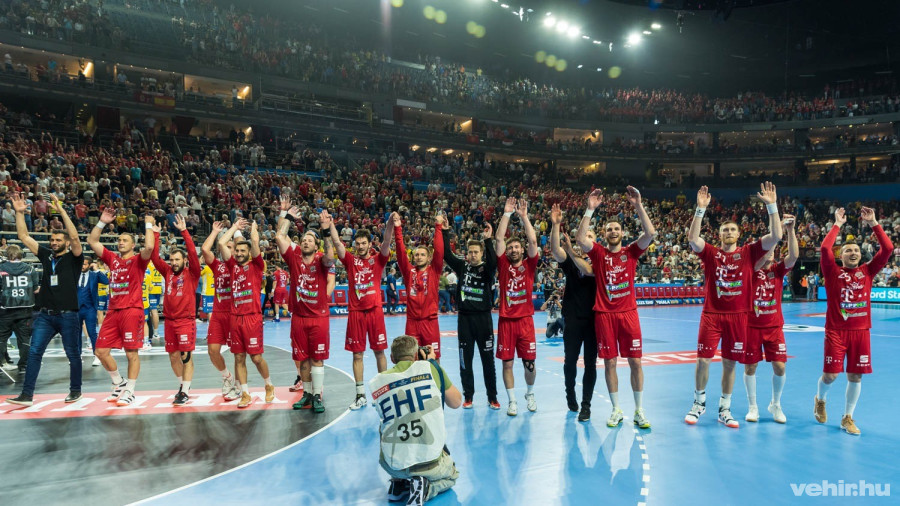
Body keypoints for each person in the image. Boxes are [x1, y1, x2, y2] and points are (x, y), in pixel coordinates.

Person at [684, 183, 782, 428]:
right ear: (719, 235)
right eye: (724, 229)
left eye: (732, 229)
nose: (728, 231)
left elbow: (776, 236)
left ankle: (724, 408)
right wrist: (700, 209)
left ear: (738, 234)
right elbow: (693, 239)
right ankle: (698, 403)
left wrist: (772, 206)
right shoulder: (711, 254)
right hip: (712, 315)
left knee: (730, 363)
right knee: (703, 360)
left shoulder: (749, 252)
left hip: (739, 316)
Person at [576, 187, 657, 428]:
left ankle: (639, 410)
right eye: (609, 229)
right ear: (604, 233)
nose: (613, 231)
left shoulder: (631, 252)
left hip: (628, 314)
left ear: (622, 232)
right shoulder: (599, 253)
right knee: (610, 362)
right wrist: (590, 209)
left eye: (616, 228)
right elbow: (581, 239)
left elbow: (650, 233)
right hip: (605, 315)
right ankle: (616, 409)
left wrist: (638, 205)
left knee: (636, 362)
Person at [814, 206, 893, 435]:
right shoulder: (832, 272)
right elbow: (824, 247)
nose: (853, 253)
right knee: (830, 375)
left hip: (861, 332)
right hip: (836, 331)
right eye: (848, 250)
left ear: (860, 255)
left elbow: (887, 249)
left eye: (856, 251)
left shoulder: (867, 272)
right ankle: (820, 399)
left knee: (855, 375)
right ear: (841, 255)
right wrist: (837, 223)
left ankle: (847, 417)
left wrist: (874, 223)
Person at [6, 192, 83, 406]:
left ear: (66, 242)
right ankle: (27, 395)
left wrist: (61, 212)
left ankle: (75, 390)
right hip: (46, 316)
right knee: (34, 353)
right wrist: (20, 213)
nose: (54, 242)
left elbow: (75, 238)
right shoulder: (47, 255)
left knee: (73, 354)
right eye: (52, 239)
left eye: (59, 240)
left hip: (68, 315)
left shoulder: (75, 258)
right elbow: (24, 237)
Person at [370, 336, 461, 506]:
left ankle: (398, 484)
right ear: (416, 356)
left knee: (388, 424)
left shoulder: (378, 381)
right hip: (428, 462)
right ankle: (425, 488)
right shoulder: (430, 369)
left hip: (392, 465)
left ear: (391, 358)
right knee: (452, 475)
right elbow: (456, 402)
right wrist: (435, 365)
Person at [325, 213, 397, 410]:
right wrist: (331, 224)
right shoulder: (350, 261)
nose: (360, 246)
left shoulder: (378, 260)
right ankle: (360, 395)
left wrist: (389, 224)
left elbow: (387, 241)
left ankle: (384, 392)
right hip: (356, 313)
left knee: (379, 352)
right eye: (357, 243)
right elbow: (338, 243)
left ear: (369, 243)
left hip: (375, 312)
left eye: (363, 243)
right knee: (357, 355)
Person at [88, 208, 155, 407]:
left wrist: (149, 224)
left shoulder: (138, 260)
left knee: (131, 353)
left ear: (133, 245)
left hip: (131, 310)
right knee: (100, 351)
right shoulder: (113, 259)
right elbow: (92, 242)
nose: (120, 242)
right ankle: (119, 382)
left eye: (124, 240)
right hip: (113, 311)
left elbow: (150, 247)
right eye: (119, 240)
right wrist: (101, 222)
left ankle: (131, 391)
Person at [275, 203, 335, 414]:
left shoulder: (321, 260)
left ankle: (318, 395)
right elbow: (280, 237)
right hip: (299, 317)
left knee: (316, 358)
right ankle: (307, 394)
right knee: (302, 359)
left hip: (319, 317)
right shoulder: (294, 257)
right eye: (304, 239)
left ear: (316, 245)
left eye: (310, 239)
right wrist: (288, 218)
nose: (306, 241)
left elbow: (330, 255)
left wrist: (326, 231)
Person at [742, 213, 799, 424]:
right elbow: (755, 263)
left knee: (780, 367)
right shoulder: (749, 269)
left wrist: (791, 230)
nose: (771, 254)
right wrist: (765, 249)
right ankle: (753, 407)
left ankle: (775, 404)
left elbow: (793, 257)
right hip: (751, 327)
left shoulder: (777, 270)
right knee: (750, 367)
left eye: (774, 250)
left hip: (774, 327)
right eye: (768, 250)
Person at [442, 221, 499, 409]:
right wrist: (445, 231)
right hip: (465, 320)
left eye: (476, 252)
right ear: (467, 253)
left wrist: (488, 240)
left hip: (484, 320)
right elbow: (446, 254)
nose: (473, 255)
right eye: (471, 252)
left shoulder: (487, 270)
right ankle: (468, 396)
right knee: (465, 361)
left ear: (481, 253)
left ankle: (492, 397)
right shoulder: (462, 267)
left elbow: (493, 261)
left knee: (487, 361)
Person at [218, 218, 275, 408]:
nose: (240, 253)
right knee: (239, 357)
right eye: (237, 250)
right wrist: (233, 227)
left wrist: (253, 233)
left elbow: (256, 244)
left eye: (243, 251)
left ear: (249, 253)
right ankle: (245, 393)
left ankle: (268, 384)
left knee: (256, 358)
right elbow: (220, 243)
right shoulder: (232, 266)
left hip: (252, 318)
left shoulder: (257, 266)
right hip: (235, 319)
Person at [494, 197, 540, 416]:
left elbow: (533, 241)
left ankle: (529, 394)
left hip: (526, 322)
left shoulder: (530, 266)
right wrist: (506, 213)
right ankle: (512, 401)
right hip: (506, 322)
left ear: (522, 250)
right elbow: (498, 239)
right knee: (508, 365)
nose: (512, 249)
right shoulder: (503, 265)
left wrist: (524, 217)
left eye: (516, 247)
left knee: (529, 364)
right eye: (510, 247)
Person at [150, 215, 201, 406]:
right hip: (169, 321)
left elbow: (193, 254)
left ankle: (186, 391)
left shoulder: (193, 273)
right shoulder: (167, 271)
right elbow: (154, 258)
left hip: (186, 320)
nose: (174, 262)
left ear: (184, 260)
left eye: (177, 259)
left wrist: (184, 231)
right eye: (172, 259)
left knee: (186, 356)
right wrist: (156, 235)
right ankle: (182, 386)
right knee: (173, 356)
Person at [394, 212, 444, 361]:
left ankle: (435, 384)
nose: (419, 257)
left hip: (430, 321)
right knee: (412, 359)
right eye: (416, 255)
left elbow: (440, 251)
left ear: (429, 258)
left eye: (423, 255)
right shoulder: (409, 272)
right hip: (412, 322)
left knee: (433, 358)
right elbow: (400, 252)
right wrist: (398, 229)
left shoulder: (434, 270)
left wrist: (438, 226)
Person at [200, 222, 240, 401]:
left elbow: (225, 246)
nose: (227, 249)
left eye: (231, 247)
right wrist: (215, 231)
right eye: (227, 246)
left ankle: (239, 385)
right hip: (218, 313)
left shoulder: (237, 266)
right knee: (213, 350)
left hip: (234, 314)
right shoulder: (218, 266)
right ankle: (227, 377)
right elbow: (205, 249)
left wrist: (235, 229)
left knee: (238, 353)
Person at [0, 245, 40, 374]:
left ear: (7, 255)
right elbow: (36, 289)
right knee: (24, 339)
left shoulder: (1, 269)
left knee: (2, 338)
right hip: (25, 309)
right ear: (21, 255)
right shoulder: (30, 269)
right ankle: (23, 365)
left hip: (5, 309)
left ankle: (1, 364)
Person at [77, 257, 108, 367]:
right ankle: (77, 356)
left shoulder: (94, 275)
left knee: (92, 333)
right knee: (76, 333)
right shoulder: (74, 274)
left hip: (90, 308)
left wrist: (96, 269)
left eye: (85, 264)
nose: (83, 266)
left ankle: (97, 357)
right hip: (77, 308)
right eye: (81, 264)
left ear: (90, 265)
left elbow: (106, 281)